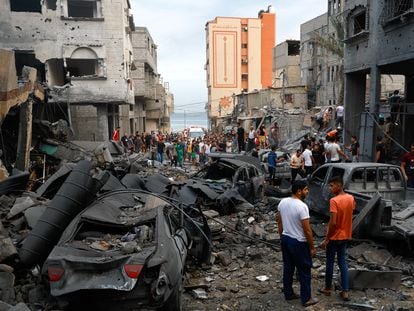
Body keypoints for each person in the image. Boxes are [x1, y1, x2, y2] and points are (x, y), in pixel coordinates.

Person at [277, 180, 318, 307]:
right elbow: (307, 230)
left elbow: (279, 222)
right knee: (304, 270)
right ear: (299, 191)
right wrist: (312, 247)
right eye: (306, 189)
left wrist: (282, 236)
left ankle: (288, 293)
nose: (307, 191)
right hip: (298, 242)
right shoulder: (302, 206)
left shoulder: (283, 202)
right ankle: (306, 299)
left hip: (286, 238)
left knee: (288, 268)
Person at [319, 176, 355, 302]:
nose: (330, 188)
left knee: (330, 262)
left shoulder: (334, 201)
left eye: (332, 185)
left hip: (335, 237)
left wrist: (327, 239)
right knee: (342, 263)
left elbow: (333, 223)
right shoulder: (350, 198)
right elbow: (350, 213)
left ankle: (328, 288)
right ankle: (345, 291)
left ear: (339, 186)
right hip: (345, 235)